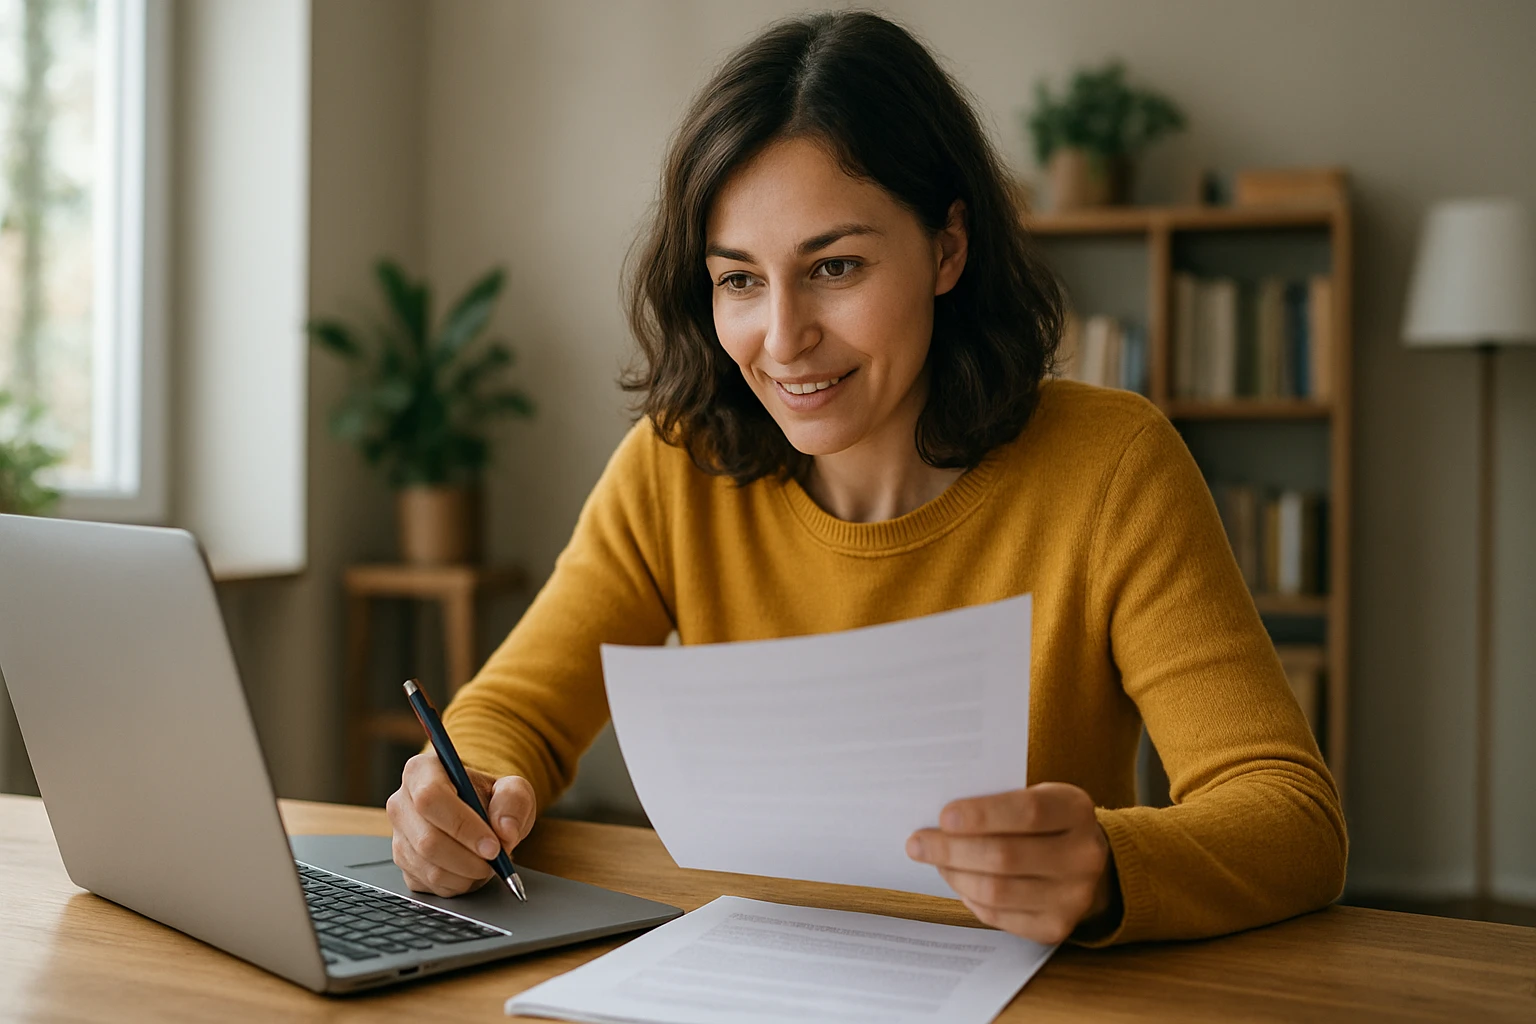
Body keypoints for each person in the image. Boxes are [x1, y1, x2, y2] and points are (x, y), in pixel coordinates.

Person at [387, 10, 1345, 947]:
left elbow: (1292, 815)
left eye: (835, 266)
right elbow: (512, 713)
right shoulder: (677, 465)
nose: (784, 338)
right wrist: (461, 799)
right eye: (739, 280)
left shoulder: (1113, 467)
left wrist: (1105, 868)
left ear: (948, 247)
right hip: (750, 981)